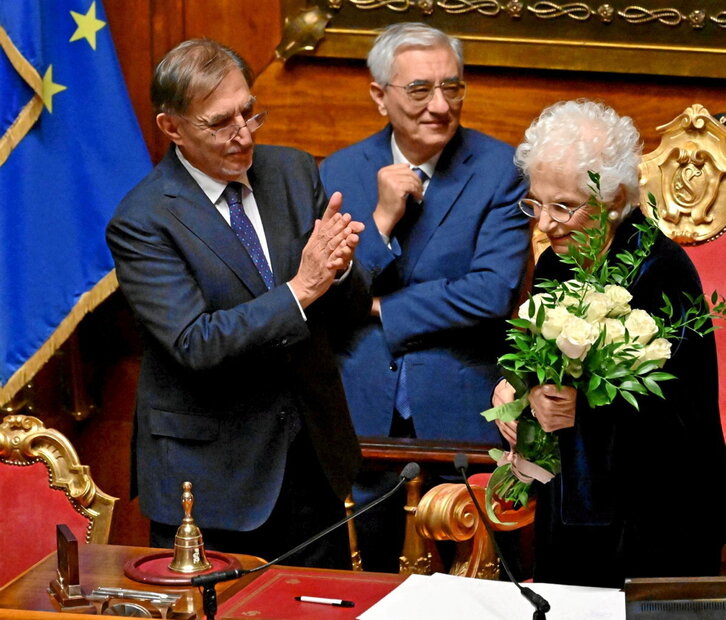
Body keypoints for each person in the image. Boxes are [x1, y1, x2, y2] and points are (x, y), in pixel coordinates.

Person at [106, 38, 370, 569]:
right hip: (212, 483)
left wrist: (339, 271)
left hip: (313, 464)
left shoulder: (294, 172)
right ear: (172, 127)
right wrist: (302, 287)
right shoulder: (144, 219)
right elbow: (194, 343)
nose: (243, 134)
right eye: (220, 123)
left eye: (249, 112)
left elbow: (346, 309)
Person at [320, 22, 530, 571]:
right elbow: (325, 292)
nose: (440, 105)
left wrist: (381, 307)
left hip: (461, 415)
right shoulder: (338, 171)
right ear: (379, 95)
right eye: (420, 90)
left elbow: (492, 292)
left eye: (452, 87)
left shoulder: (501, 170)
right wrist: (382, 221)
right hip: (360, 414)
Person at [494, 100, 725, 587]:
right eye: (535, 203)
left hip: (655, 517)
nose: (544, 224)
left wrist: (583, 410)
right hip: (573, 507)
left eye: (564, 206)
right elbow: (540, 370)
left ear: (615, 198)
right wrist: (522, 394)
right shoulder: (556, 263)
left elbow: (682, 422)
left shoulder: (661, 271)